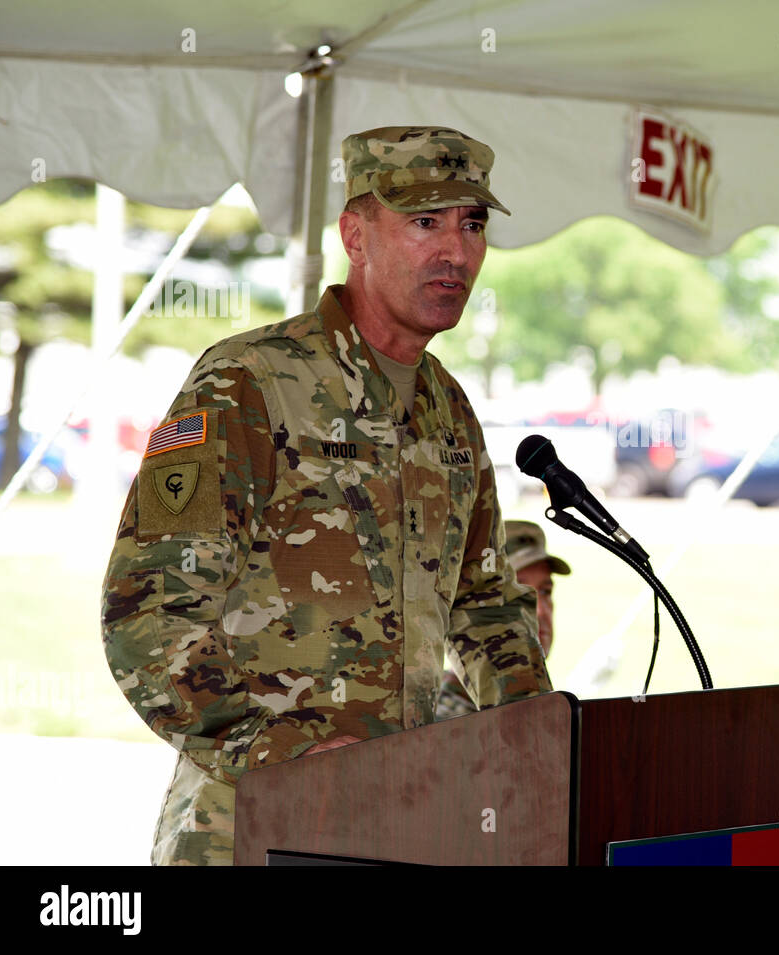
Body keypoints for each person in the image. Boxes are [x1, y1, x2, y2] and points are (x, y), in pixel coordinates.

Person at [101, 126, 551, 866]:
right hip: (251, 826)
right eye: (424, 221)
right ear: (355, 234)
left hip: (400, 826)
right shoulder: (248, 381)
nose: (456, 251)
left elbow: (484, 602)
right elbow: (146, 611)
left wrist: (539, 741)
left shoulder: (449, 409)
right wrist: (287, 747)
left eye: (472, 224)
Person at [434, 519, 569, 720]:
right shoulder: (444, 725)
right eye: (516, 593)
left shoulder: (540, 704)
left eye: (545, 591)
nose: (540, 610)